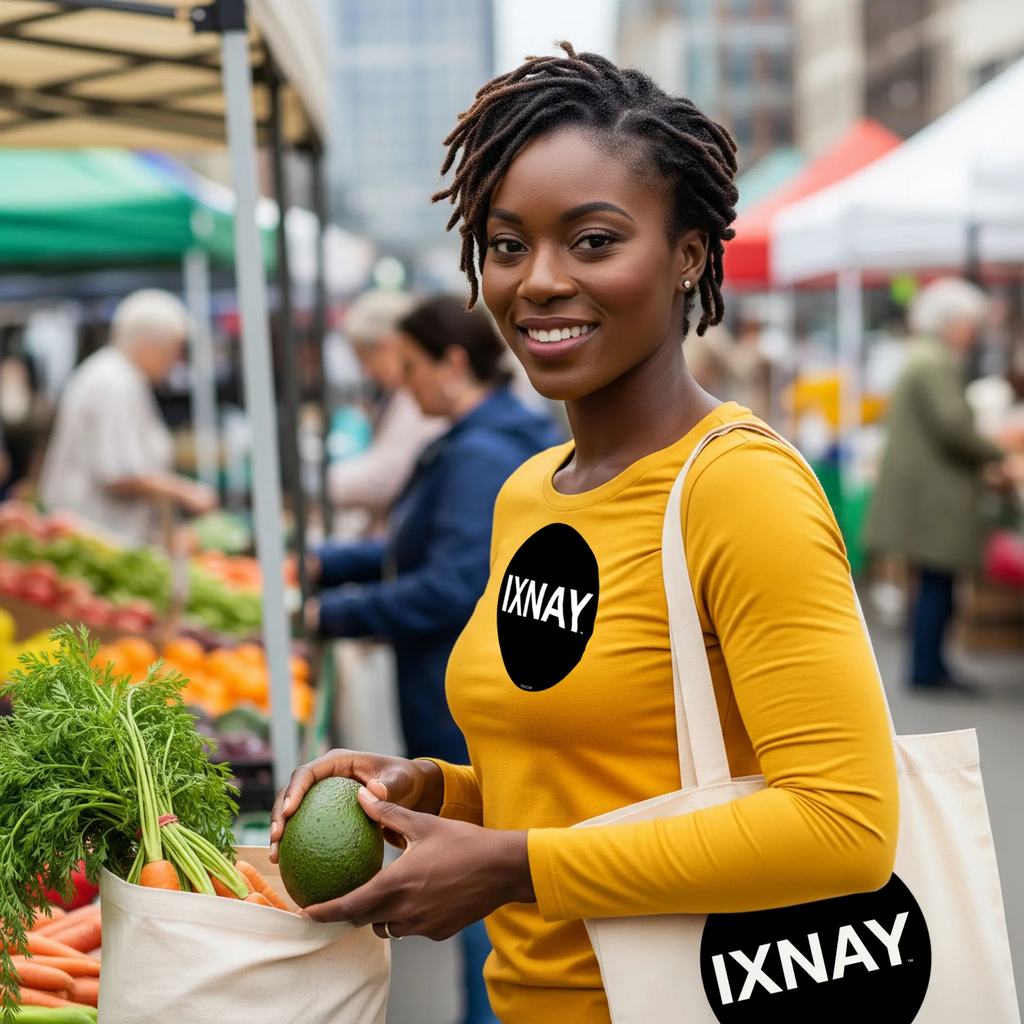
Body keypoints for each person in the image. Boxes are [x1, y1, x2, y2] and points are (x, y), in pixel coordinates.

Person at [272, 45, 898, 1024]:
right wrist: (433, 791)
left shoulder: (741, 489)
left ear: (689, 253)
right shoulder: (531, 491)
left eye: (594, 241)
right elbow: (583, 776)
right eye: (506, 244)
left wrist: (516, 867)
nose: (538, 282)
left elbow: (845, 826)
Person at [306, 293, 559, 1024]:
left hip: (467, 701)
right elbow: (409, 551)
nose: (404, 384)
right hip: (463, 693)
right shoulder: (470, 437)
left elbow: (453, 581)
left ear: (453, 362)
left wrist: (337, 612)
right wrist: (325, 568)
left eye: (411, 367)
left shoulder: (480, 449)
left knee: (481, 891)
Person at [866, 277, 1013, 691]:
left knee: (933, 582)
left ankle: (929, 665)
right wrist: (1001, 456)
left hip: (927, 492)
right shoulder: (934, 362)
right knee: (937, 582)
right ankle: (928, 669)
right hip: (935, 495)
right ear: (950, 322)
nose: (973, 330)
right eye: (968, 322)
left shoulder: (924, 357)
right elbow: (955, 427)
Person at [39, 289, 216, 546]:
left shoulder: (120, 376)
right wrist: (187, 492)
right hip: (95, 537)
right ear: (149, 343)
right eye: (173, 350)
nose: (175, 361)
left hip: (104, 538)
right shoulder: (114, 382)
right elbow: (119, 474)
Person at [328, 289, 447, 524]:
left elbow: (387, 478)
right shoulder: (403, 394)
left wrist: (325, 482)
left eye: (364, 359)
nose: (366, 371)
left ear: (388, 346)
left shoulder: (418, 395)